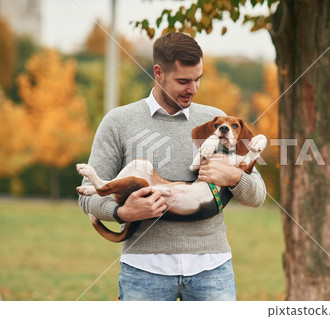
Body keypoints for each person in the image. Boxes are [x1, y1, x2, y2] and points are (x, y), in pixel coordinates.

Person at [78, 32, 266, 301]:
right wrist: (121, 212)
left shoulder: (216, 122)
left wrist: (235, 176)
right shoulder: (118, 122)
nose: (193, 89)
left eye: (198, 79)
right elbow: (87, 197)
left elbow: (258, 195)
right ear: (158, 73)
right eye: (183, 81)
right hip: (143, 272)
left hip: (212, 270)